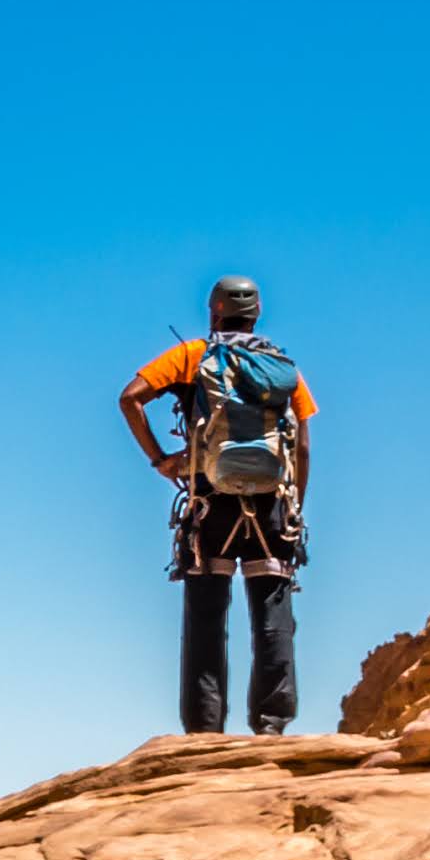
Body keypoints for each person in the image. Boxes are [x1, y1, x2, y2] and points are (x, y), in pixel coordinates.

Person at [120, 276, 315, 736]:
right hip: (271, 504)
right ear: (256, 315)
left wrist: (161, 460)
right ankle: (272, 725)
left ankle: (204, 729)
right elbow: (303, 446)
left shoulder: (192, 355)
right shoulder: (281, 366)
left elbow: (130, 398)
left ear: (214, 311)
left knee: (206, 617)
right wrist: (294, 508)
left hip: (209, 500)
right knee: (273, 617)